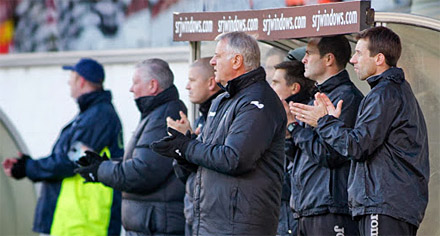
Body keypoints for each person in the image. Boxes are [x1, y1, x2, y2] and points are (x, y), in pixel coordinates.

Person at [292, 26, 429, 235]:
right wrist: (329, 122)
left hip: (385, 204)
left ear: (379, 58)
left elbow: (357, 146)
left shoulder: (385, 94)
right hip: (384, 203)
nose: (353, 60)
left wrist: (324, 122)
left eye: (359, 53)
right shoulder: (389, 91)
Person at [150, 32, 287, 235]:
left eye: (218, 56)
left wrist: (187, 147)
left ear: (236, 61)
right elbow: (207, 155)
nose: (212, 62)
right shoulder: (222, 100)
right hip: (211, 223)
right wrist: (180, 153)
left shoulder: (258, 100)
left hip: (239, 226)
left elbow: (234, 158)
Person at [2, 58, 124, 236]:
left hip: (83, 223)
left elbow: (69, 162)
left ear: (81, 81)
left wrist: (28, 167)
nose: (68, 82)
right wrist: (27, 165)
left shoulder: (98, 116)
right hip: (75, 221)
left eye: (71, 77)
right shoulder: (91, 114)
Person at [75, 58, 187, 235]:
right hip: (150, 225)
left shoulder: (164, 116)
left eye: (135, 83)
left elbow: (143, 172)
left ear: (152, 86)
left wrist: (100, 170)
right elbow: (140, 161)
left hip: (156, 228)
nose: (131, 88)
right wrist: (106, 163)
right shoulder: (156, 114)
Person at [287, 35, 364, 235]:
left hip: (331, 209)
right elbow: (301, 155)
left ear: (328, 59)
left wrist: (295, 129)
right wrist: (288, 133)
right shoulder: (315, 97)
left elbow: (331, 154)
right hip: (306, 208)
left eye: (308, 54)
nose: (303, 60)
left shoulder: (347, 97)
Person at [166, 57, 222, 236]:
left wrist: (187, 143)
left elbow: (219, 166)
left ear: (211, 82)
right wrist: (183, 143)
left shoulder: (222, 116)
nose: (187, 86)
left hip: (213, 219)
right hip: (195, 216)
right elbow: (186, 175)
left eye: (192, 80)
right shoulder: (201, 118)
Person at [270, 59, 315, 236]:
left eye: (275, 83)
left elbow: (293, 180)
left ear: (294, 88)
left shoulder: (305, 118)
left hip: (295, 217)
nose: (270, 89)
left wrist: (291, 130)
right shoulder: (277, 117)